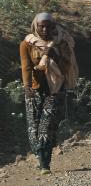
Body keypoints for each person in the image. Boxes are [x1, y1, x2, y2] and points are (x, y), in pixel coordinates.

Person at [20, 13, 78, 175]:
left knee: (46, 128)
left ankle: (45, 164)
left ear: (53, 26)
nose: (45, 29)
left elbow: (67, 68)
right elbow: (26, 67)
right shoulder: (27, 44)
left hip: (55, 90)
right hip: (34, 90)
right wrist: (27, 86)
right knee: (34, 129)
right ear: (35, 26)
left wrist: (54, 56)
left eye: (48, 26)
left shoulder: (61, 43)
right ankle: (40, 160)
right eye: (41, 26)